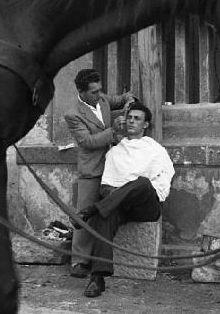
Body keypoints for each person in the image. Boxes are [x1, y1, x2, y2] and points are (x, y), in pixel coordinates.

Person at [72, 102, 175, 298]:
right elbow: (105, 186)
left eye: (137, 119)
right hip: (121, 205)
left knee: (142, 183)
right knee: (105, 216)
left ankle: (92, 210)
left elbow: (162, 181)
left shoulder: (155, 150)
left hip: (147, 206)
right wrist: (116, 195)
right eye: (129, 117)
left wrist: (128, 190)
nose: (131, 121)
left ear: (145, 125)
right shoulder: (115, 152)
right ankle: (97, 278)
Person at [64, 68, 133, 278]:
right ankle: (79, 262)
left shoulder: (101, 98)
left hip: (114, 167)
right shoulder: (73, 114)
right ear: (81, 92)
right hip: (92, 169)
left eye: (100, 90)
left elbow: (118, 99)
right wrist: (113, 130)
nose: (99, 94)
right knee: (84, 213)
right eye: (93, 92)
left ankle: (99, 259)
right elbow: (87, 141)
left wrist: (128, 99)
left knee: (107, 212)